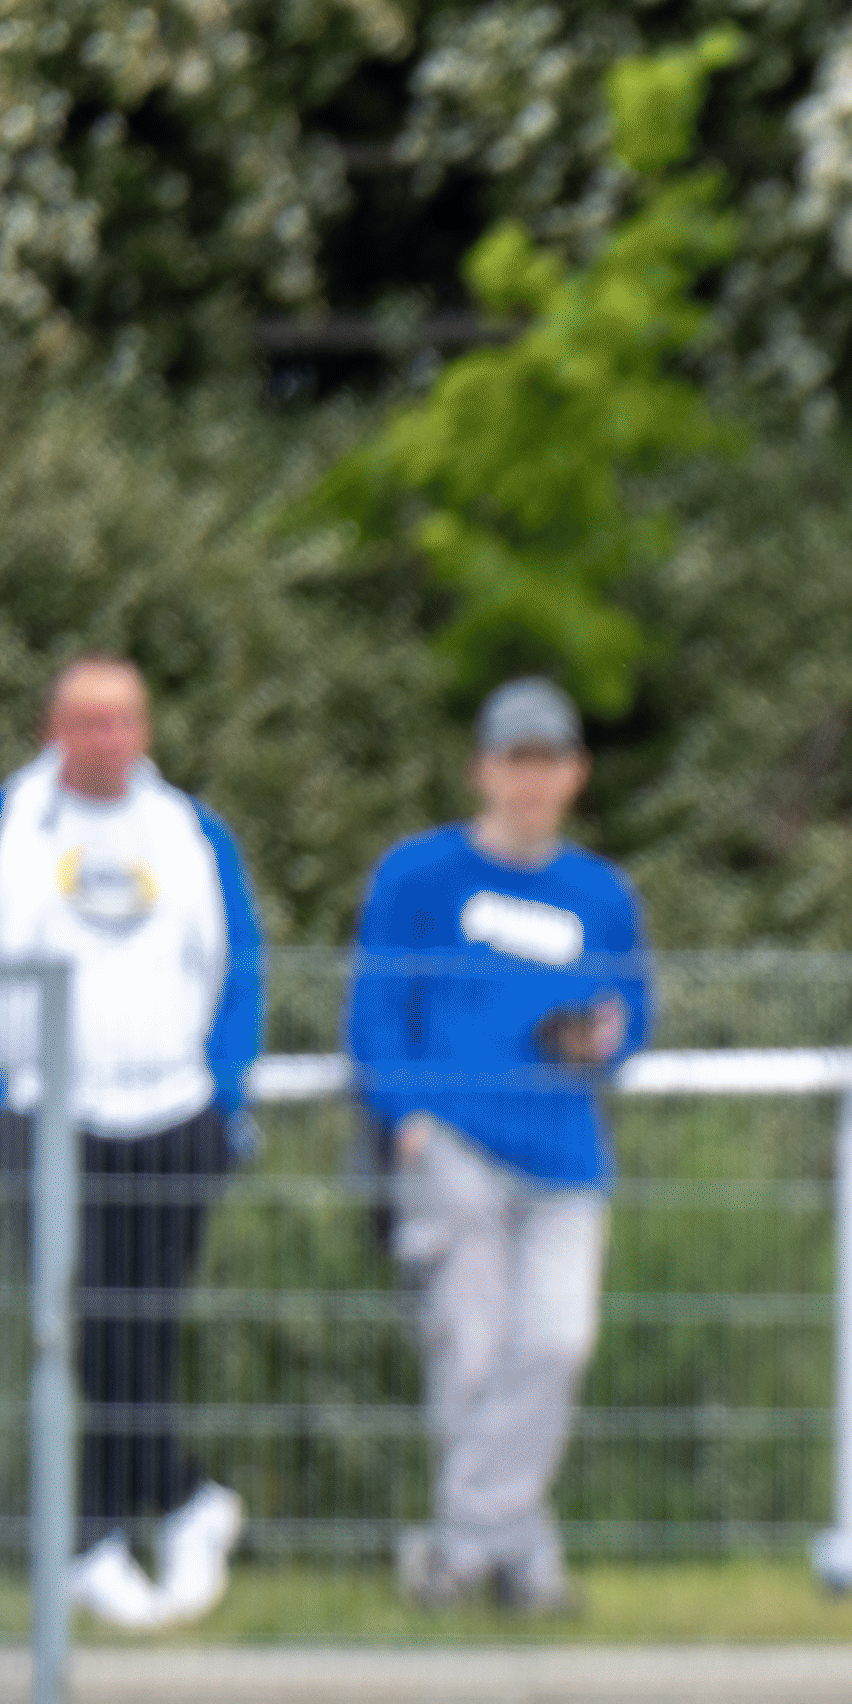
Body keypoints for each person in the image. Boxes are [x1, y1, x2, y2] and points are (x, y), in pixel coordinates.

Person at [0, 655, 271, 1634]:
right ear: (53, 729)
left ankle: (107, 1530)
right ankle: (172, 1502)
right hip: (46, 1115)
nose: (104, 739)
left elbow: (239, 962)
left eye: (121, 721)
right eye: (85, 721)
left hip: (174, 1113)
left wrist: (226, 1089)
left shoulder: (192, 833)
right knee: (87, 1323)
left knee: (143, 1324)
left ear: (144, 730)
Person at [341, 677, 654, 1616]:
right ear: (483, 770)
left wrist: (604, 1039)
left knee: (556, 1343)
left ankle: (458, 1549)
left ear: (575, 775)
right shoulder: (418, 876)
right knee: (471, 1356)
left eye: (547, 763)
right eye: (515, 762)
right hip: (454, 1140)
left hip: (564, 1151)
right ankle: (522, 1564)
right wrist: (407, 1114)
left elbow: (632, 1011)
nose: (530, 782)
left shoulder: (601, 893)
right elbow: (376, 1009)